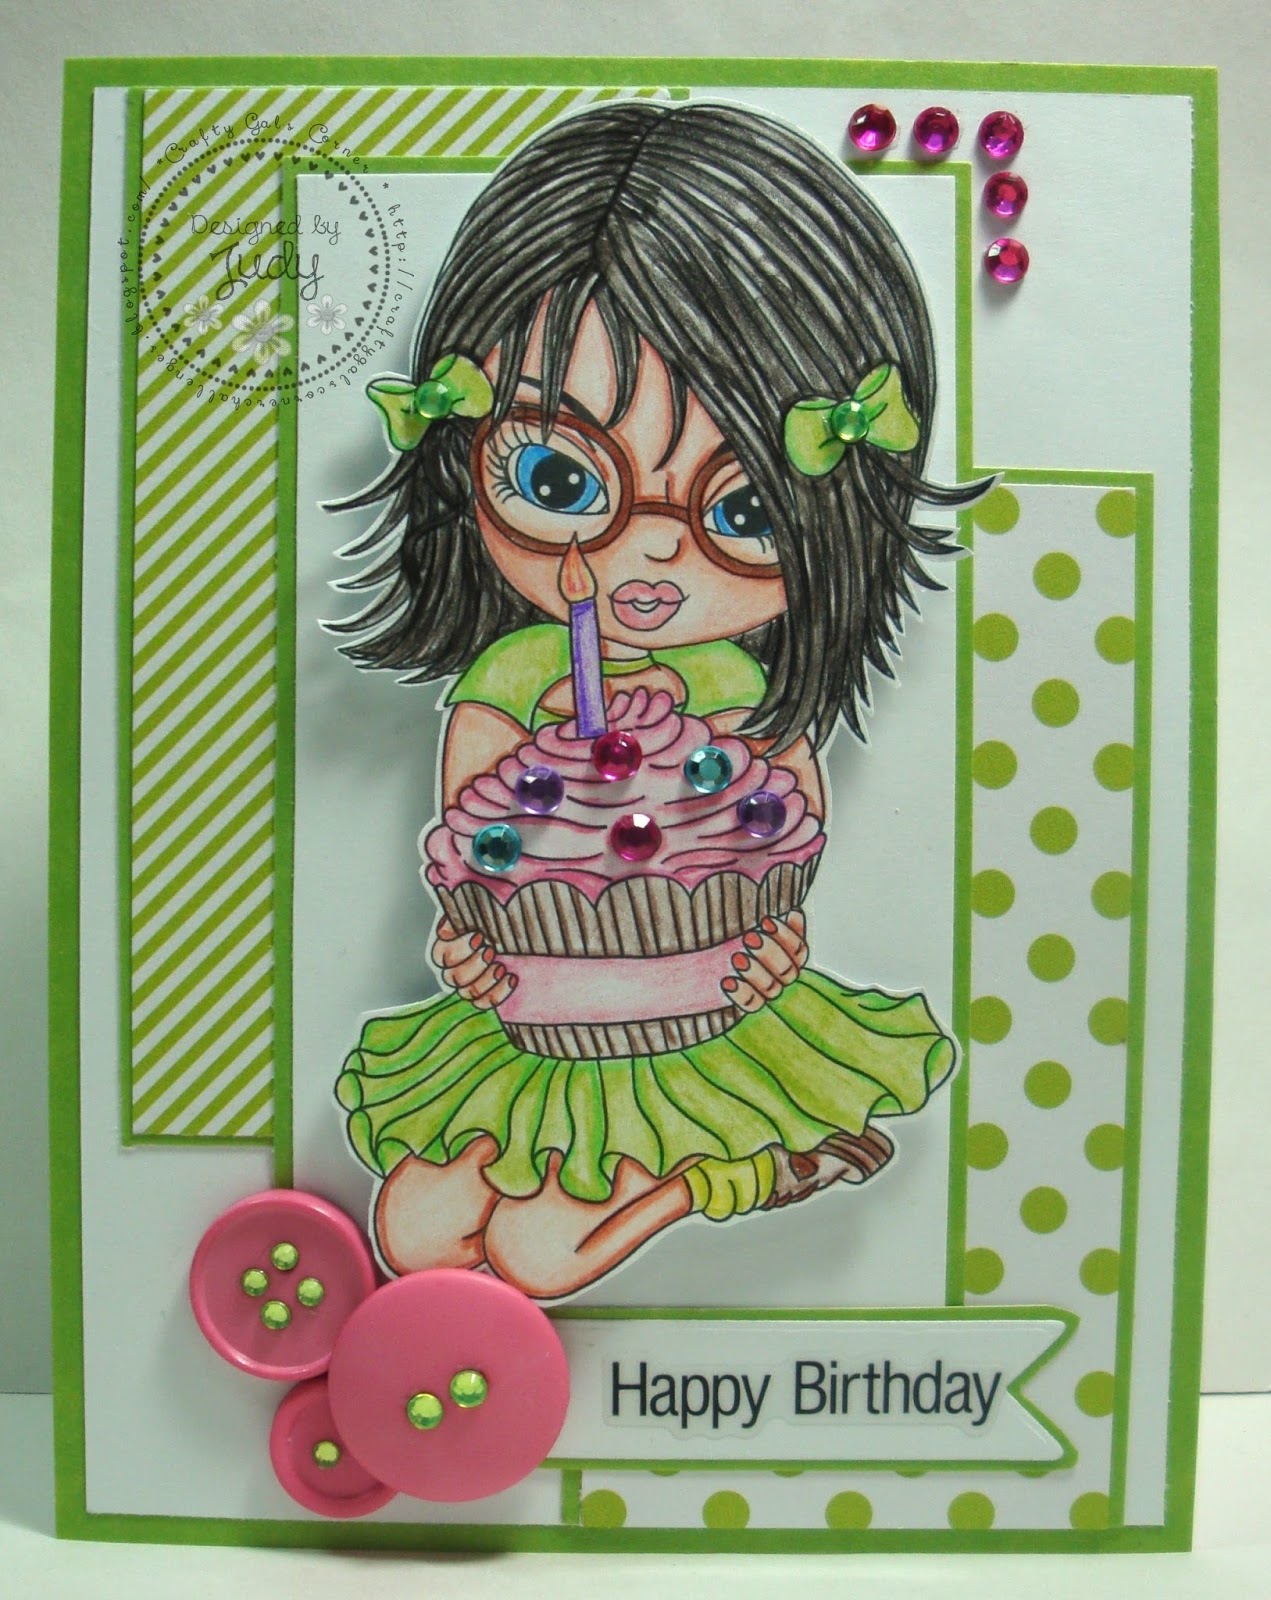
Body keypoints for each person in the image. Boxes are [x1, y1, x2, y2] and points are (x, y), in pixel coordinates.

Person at [331, 100, 986, 1299]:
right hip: (528, 1026)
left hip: (710, 1027)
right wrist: (465, 949)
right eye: (560, 478)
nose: (646, 552)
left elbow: (786, 831)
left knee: (537, 1251)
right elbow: (470, 851)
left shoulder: (740, 692)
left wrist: (775, 943)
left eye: (739, 509)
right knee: (413, 1229)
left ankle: (743, 1169)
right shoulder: (507, 690)